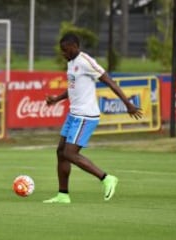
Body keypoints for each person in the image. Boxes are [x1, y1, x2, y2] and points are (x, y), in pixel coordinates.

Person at [43, 32, 142, 204]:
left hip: (86, 115)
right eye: (62, 50)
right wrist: (56, 99)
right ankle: (63, 195)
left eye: (65, 50)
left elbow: (109, 81)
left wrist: (128, 104)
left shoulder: (85, 61)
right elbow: (74, 88)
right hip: (74, 114)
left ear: (75, 47)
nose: (63, 53)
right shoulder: (71, 62)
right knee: (61, 152)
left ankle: (106, 178)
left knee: (70, 153)